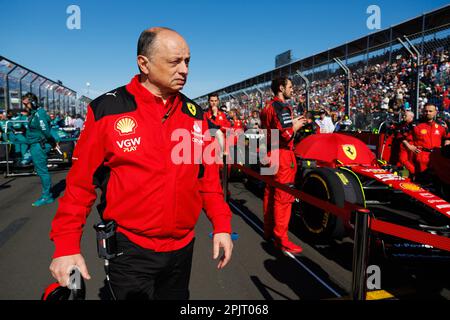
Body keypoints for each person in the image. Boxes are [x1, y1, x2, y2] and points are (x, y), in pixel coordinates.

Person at [49, 27, 233, 300]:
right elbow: (80, 185)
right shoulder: (106, 110)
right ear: (143, 63)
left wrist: (221, 225)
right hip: (130, 249)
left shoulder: (195, 115)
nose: (184, 70)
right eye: (174, 61)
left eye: (187, 61)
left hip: (182, 249)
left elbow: (206, 179)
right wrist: (66, 247)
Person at [260, 76, 307, 254]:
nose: (292, 89)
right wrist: (297, 125)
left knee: (269, 192)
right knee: (283, 198)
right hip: (282, 155)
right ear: (281, 88)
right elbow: (286, 134)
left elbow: (272, 129)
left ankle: (268, 230)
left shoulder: (266, 107)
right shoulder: (282, 106)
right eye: (290, 86)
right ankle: (281, 239)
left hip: (269, 151)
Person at [22, 92, 55, 206]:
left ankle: (46, 196)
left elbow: (46, 131)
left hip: (39, 145)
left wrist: (52, 142)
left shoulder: (38, 114)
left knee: (42, 171)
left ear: (33, 102)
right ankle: (47, 194)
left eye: (26, 104)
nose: (25, 106)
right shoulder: (34, 113)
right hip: (36, 144)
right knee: (41, 170)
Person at [403, 103, 450, 180]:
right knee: (421, 183)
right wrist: (410, 147)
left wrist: (445, 148)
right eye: (426, 111)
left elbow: (447, 137)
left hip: (437, 156)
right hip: (421, 157)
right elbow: (403, 137)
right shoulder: (415, 124)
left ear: (435, 112)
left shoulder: (442, 125)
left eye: (430, 111)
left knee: (439, 181)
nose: (428, 113)